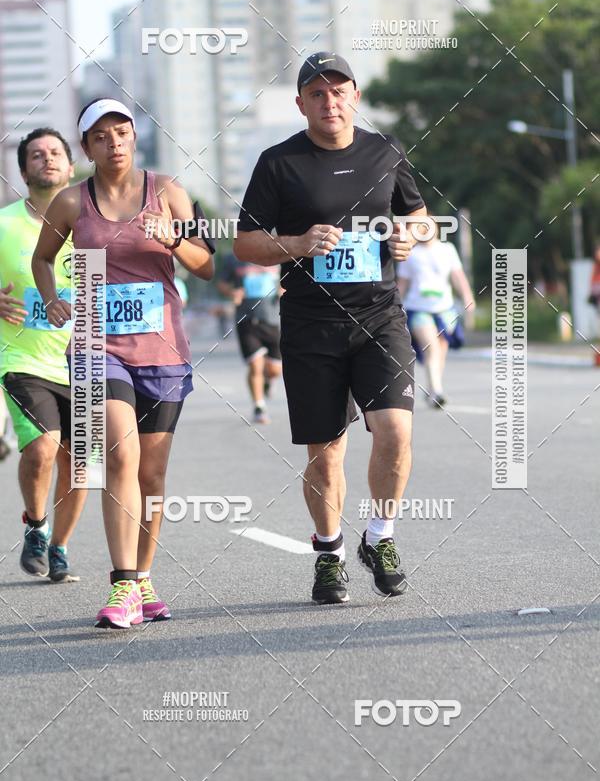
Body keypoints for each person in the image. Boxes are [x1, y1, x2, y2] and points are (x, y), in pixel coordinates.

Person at [234, 52, 427, 605]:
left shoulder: (385, 151)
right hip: (311, 324)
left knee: (396, 431)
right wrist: (294, 245)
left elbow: (418, 216)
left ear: (355, 97)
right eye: (317, 94)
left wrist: (411, 237)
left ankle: (381, 537)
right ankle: (329, 553)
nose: (329, 102)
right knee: (327, 453)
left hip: (379, 317)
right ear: (301, 104)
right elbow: (246, 241)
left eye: (338, 91)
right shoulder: (278, 163)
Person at [32, 98, 214, 628]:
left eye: (122, 132)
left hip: (162, 349)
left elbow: (206, 266)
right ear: (86, 148)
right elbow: (43, 258)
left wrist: (175, 240)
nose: (114, 142)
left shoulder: (169, 192)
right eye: (101, 136)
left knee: (153, 475)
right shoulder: (71, 203)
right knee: (120, 457)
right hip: (94, 346)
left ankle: (143, 578)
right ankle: (122, 586)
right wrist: (50, 297)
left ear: (134, 138)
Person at [0, 127, 87, 581]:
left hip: (84, 360)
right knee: (43, 445)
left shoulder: (90, 226)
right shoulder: (4, 223)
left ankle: (59, 547)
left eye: (55, 153)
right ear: (23, 170)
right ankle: (36, 524)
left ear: (71, 167)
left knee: (80, 461)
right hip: (21, 358)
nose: (47, 159)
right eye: (37, 154)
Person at [396, 221, 475, 408]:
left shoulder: (447, 249)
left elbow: (457, 276)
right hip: (418, 308)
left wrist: (467, 297)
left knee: (441, 351)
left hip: (444, 308)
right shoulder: (411, 253)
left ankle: (433, 389)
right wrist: (393, 305)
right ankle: (437, 392)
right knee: (431, 347)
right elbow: (403, 284)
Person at [217, 253, 282, 423]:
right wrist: (232, 292)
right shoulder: (233, 258)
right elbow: (222, 284)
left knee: (275, 370)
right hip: (246, 319)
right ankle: (259, 407)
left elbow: (290, 279)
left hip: (273, 319)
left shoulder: (277, 251)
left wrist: (284, 289)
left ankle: (268, 380)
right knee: (255, 365)